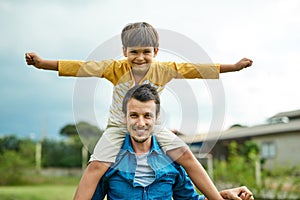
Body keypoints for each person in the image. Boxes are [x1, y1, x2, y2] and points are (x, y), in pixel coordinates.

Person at [25, 22, 253, 200]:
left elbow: (196, 69)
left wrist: (232, 67)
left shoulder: (165, 70)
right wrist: (42, 63)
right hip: (118, 127)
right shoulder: (114, 69)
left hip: (152, 126)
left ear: (155, 50)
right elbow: (80, 67)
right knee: (96, 166)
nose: (140, 57)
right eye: (134, 52)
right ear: (124, 50)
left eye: (146, 52)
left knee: (186, 156)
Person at [91, 83, 254, 200]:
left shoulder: (172, 161)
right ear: (124, 117)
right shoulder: (109, 161)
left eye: (147, 116)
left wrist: (224, 195)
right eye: (134, 115)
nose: (140, 123)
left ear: (157, 118)